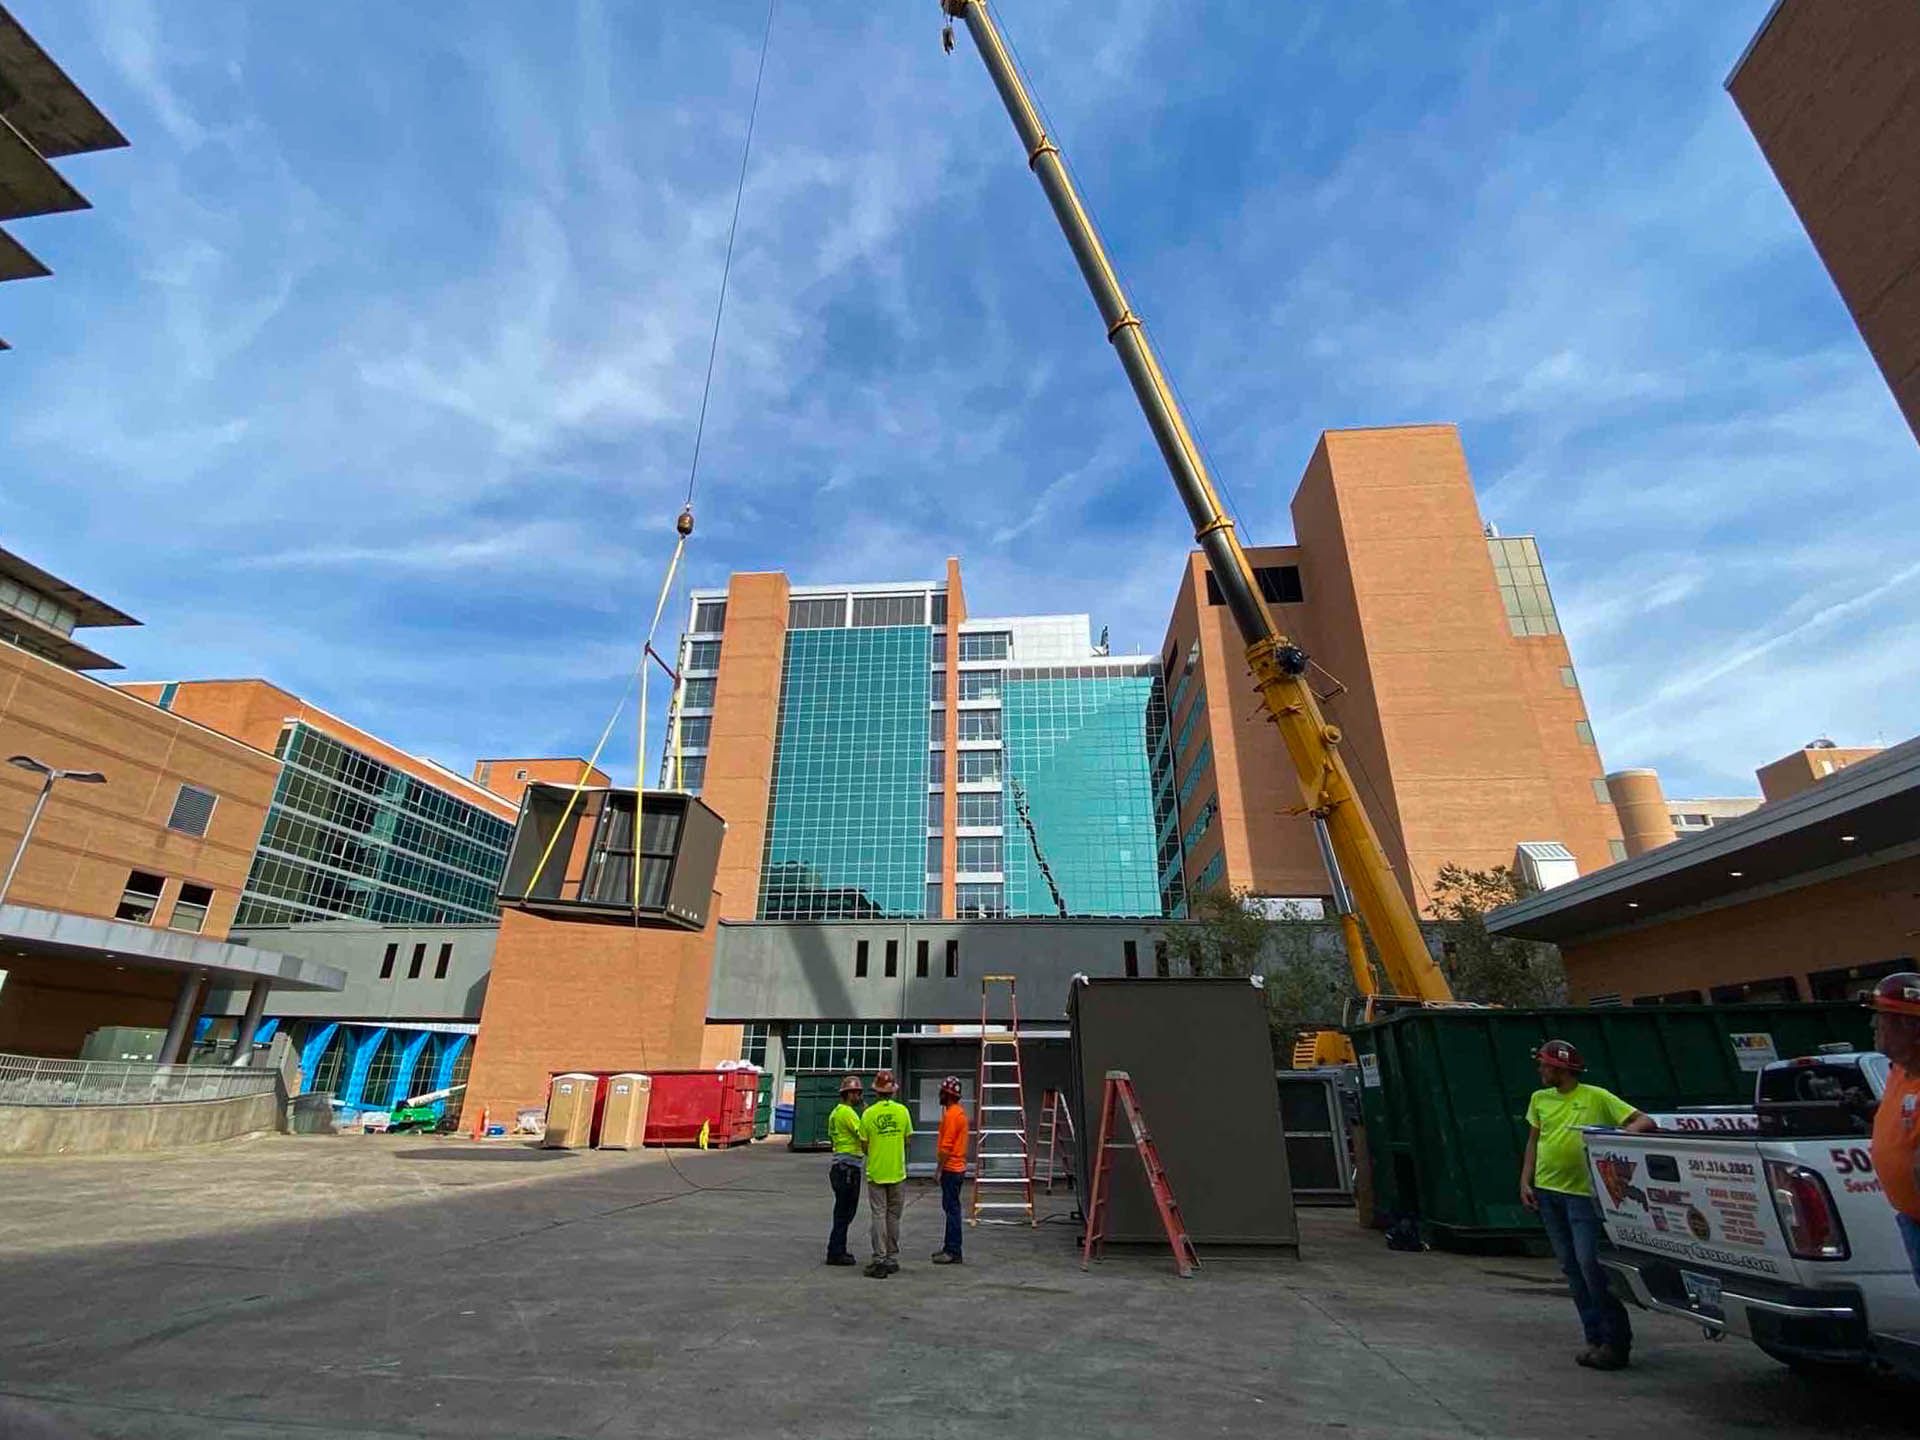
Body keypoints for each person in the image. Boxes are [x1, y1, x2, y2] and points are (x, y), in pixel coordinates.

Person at [1519, 1038, 1655, 1371]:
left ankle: (1615, 1342)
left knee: (1590, 1266)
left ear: (1560, 1069)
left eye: (1544, 1065)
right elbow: (1535, 1142)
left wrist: (1616, 1142)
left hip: (1583, 1197)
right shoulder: (1540, 1099)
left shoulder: (1596, 1096)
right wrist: (1525, 1179)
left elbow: (1643, 1121)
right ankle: (1594, 1339)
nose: (1540, 1069)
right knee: (1571, 1268)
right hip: (1548, 1193)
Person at [1868, 972, 1920, 1287]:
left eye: (1882, 1018)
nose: (1874, 1026)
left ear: (1911, 1027)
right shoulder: (1900, 1071)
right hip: (1912, 1220)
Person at [859, 1069, 914, 1279]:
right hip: (897, 1172)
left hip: (876, 1171)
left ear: (876, 1091)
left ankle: (879, 1258)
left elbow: (864, 1145)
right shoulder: (903, 1111)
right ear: (892, 1092)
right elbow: (908, 1140)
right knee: (894, 1216)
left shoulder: (868, 1114)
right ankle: (892, 1257)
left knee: (878, 1215)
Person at [824, 1074, 865, 1267]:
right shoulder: (848, 1113)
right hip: (848, 1168)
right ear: (849, 1094)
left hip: (839, 1166)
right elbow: (862, 1133)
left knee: (841, 1210)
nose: (859, 1096)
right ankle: (836, 1251)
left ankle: (837, 1248)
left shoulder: (834, 1113)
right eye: (857, 1092)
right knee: (845, 1212)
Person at [932, 1075, 969, 1265]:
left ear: (946, 1094)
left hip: (951, 1169)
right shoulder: (957, 1113)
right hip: (957, 1168)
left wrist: (939, 1170)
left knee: (952, 1210)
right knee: (951, 1208)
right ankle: (950, 1248)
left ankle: (953, 1251)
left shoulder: (952, 1115)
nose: (939, 1095)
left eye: (941, 1092)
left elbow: (946, 1147)